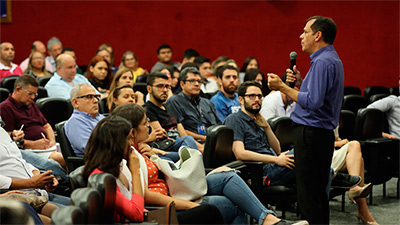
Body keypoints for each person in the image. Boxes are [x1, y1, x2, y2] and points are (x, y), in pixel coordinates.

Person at [112, 103, 309, 225]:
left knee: (228, 175)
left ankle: (268, 219)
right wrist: (190, 206)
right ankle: (269, 220)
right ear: (131, 130)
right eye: (145, 123)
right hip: (171, 200)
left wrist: (155, 153)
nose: (150, 126)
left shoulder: (141, 149)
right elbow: (144, 195)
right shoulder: (128, 157)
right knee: (233, 204)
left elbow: (168, 170)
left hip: (178, 186)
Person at [267, 16, 344, 224]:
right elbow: (317, 98)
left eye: (305, 32)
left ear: (317, 35)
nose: (301, 36)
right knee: (318, 195)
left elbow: (313, 102)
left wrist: (282, 87)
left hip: (311, 135)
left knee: (309, 197)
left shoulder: (321, 61)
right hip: (320, 135)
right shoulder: (331, 59)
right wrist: (300, 84)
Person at [82, 115, 225, 224]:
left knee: (209, 210)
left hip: (148, 215)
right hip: (141, 221)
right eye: (128, 139)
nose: (132, 144)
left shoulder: (115, 166)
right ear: (115, 144)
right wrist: (136, 171)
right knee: (210, 211)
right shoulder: (101, 177)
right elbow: (136, 213)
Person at [225, 81, 359, 190]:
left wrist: (266, 127)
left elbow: (277, 149)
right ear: (241, 99)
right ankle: (334, 176)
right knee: (305, 149)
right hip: (260, 172)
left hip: (274, 164)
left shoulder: (258, 119)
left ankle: (330, 177)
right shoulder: (235, 119)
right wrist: (276, 160)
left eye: (259, 96)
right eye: (252, 96)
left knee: (310, 162)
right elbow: (240, 153)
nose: (257, 100)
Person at [0, 75, 67, 178]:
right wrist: (33, 144)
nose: (32, 97)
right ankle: (71, 183)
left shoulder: (31, 104)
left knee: (72, 154)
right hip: (28, 150)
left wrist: (51, 142)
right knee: (63, 158)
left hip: (46, 147)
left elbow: (47, 126)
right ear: (18, 89)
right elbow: (7, 139)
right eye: (30, 94)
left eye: (35, 94)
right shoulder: (5, 108)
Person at [0, 125, 70, 208]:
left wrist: (41, 177)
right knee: (76, 214)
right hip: (21, 198)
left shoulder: (2, 132)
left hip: (39, 192)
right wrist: (31, 183)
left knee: (83, 207)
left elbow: (21, 162)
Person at [144, 73, 203, 154]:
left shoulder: (170, 107)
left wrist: (203, 148)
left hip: (180, 143)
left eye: (167, 86)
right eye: (160, 86)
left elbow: (183, 134)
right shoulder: (147, 109)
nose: (164, 90)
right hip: (165, 147)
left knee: (205, 148)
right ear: (149, 89)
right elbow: (161, 136)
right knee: (189, 143)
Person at [166, 67, 222, 143]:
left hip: (216, 141)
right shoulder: (174, 102)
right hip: (192, 144)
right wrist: (204, 138)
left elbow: (219, 126)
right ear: (182, 84)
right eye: (192, 81)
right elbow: (178, 131)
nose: (196, 84)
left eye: (199, 81)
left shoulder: (208, 103)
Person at [64, 84, 105, 157]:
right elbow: (93, 150)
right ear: (76, 103)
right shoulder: (75, 122)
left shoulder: (100, 117)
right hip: (94, 164)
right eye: (89, 97)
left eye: (96, 97)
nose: (96, 101)